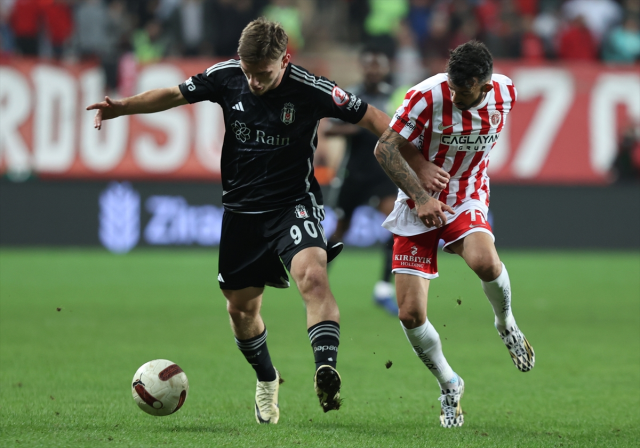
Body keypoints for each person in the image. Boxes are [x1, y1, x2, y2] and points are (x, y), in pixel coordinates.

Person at [87, 17, 393, 425]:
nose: (253, 82)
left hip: (293, 204)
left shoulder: (311, 88)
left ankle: (326, 368)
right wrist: (123, 107)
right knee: (241, 311)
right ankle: (267, 379)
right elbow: (174, 95)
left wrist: (412, 160)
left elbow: (374, 118)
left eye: (262, 73)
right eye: (248, 72)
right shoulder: (228, 76)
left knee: (314, 277)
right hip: (242, 212)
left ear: (285, 60)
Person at [374, 41, 535, 428]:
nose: (457, 98)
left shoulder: (507, 92)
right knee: (411, 314)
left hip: (466, 193)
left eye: (465, 93)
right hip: (417, 202)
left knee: (484, 261)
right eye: (454, 89)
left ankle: (506, 323)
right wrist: (420, 189)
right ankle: (449, 383)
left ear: (484, 84)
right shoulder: (425, 95)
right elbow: (384, 149)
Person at [324, 47, 399, 315]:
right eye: (369, 65)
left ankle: (383, 289)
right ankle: (317, 282)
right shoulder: (351, 95)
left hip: (383, 171)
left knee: (397, 224)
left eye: (378, 65)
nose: (374, 70)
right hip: (354, 174)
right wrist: (362, 126)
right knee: (340, 229)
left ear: (385, 67)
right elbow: (331, 128)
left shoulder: (395, 95)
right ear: (362, 67)